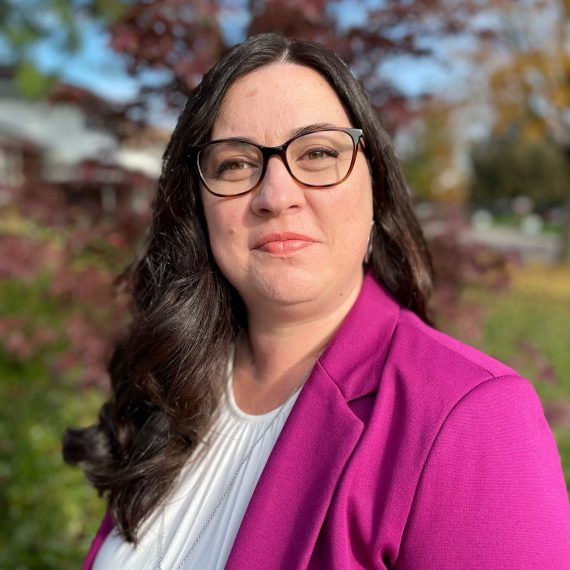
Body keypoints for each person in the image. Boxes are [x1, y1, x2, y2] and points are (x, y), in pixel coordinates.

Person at [64, 33, 570, 569]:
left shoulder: (471, 418)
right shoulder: (169, 381)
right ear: (198, 205)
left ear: (375, 187)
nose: (276, 196)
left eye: (319, 153)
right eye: (235, 164)